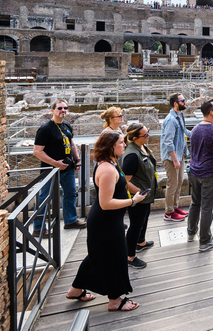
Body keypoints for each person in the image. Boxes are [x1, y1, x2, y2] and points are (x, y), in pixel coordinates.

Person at [66, 131, 146, 311]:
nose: (124, 145)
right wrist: (133, 201)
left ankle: (75, 290)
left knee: (98, 255)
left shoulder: (110, 163)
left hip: (108, 220)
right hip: (105, 222)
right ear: (111, 146)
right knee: (115, 257)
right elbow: (106, 203)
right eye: (121, 143)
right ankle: (115, 300)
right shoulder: (108, 169)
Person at [33, 99, 85, 236]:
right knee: (44, 198)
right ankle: (38, 228)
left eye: (65, 108)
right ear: (52, 110)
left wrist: (77, 160)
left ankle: (70, 221)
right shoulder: (45, 129)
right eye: (60, 108)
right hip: (50, 170)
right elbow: (37, 151)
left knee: (70, 194)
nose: (63, 110)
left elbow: (72, 144)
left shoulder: (66, 125)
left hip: (67, 168)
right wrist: (55, 163)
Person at [188, 99, 213, 251]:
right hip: (208, 173)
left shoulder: (195, 129)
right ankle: (205, 240)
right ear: (211, 112)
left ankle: (191, 233)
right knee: (206, 208)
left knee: (195, 203)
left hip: (194, 171)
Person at [122, 123, 157, 269]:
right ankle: (129, 256)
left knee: (144, 218)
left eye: (147, 132)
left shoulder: (141, 146)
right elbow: (124, 181)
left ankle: (140, 242)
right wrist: (138, 193)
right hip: (139, 196)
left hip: (146, 194)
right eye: (145, 135)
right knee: (135, 225)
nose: (148, 136)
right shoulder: (131, 155)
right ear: (135, 138)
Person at [161, 93, 190, 222]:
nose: (185, 102)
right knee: (172, 185)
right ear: (175, 103)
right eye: (182, 101)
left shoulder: (180, 115)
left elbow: (185, 131)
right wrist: (175, 160)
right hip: (172, 157)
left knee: (179, 183)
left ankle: (175, 206)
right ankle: (169, 212)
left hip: (180, 154)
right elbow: (168, 142)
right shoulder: (171, 120)